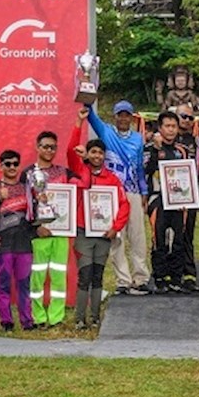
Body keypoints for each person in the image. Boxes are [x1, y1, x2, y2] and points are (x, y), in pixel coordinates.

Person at [67, 109, 130, 329]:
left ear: (104, 156)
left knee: (97, 275)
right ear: (88, 154)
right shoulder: (79, 171)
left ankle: (94, 318)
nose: (97, 156)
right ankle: (79, 319)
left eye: (100, 153)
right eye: (93, 152)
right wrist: (78, 122)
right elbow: (70, 151)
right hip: (83, 232)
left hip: (104, 234)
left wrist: (115, 228)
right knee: (84, 275)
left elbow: (124, 205)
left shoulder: (112, 179)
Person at [88, 101, 151, 296]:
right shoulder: (106, 132)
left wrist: (144, 191)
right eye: (120, 115)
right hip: (112, 193)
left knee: (138, 236)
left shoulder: (138, 138)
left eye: (127, 115)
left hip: (132, 191)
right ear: (114, 116)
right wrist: (87, 91)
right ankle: (123, 280)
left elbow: (139, 167)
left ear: (132, 117)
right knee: (116, 237)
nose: (123, 119)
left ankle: (141, 278)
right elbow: (90, 114)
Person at [20, 131, 77, 328]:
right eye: (45, 146)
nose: (49, 150)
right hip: (39, 233)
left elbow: (83, 184)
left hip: (61, 231)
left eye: (53, 147)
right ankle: (37, 316)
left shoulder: (63, 172)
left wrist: (83, 158)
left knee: (59, 276)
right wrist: (35, 227)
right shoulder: (28, 174)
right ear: (37, 147)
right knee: (37, 277)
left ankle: (56, 316)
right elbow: (22, 204)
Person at [0, 150, 35, 332]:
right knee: (4, 283)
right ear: (1, 166)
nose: (12, 167)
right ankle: (6, 321)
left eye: (15, 164)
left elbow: (33, 214)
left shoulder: (27, 187)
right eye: (8, 164)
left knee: (24, 284)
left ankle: (27, 321)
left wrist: (42, 201)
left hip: (24, 243)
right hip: (2, 243)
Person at [147, 111, 195, 294]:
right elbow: (146, 169)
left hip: (178, 199)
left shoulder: (182, 150)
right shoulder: (150, 148)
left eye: (174, 126)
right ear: (160, 128)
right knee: (159, 239)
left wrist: (187, 198)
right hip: (158, 198)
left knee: (178, 239)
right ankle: (160, 278)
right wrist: (156, 149)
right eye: (167, 126)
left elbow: (187, 174)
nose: (171, 130)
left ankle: (176, 278)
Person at [174, 103, 199, 292]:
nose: (186, 120)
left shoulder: (197, 141)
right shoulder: (166, 138)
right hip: (170, 193)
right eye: (183, 116)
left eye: (190, 118)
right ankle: (170, 273)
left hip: (190, 193)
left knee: (187, 234)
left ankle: (189, 274)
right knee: (170, 234)